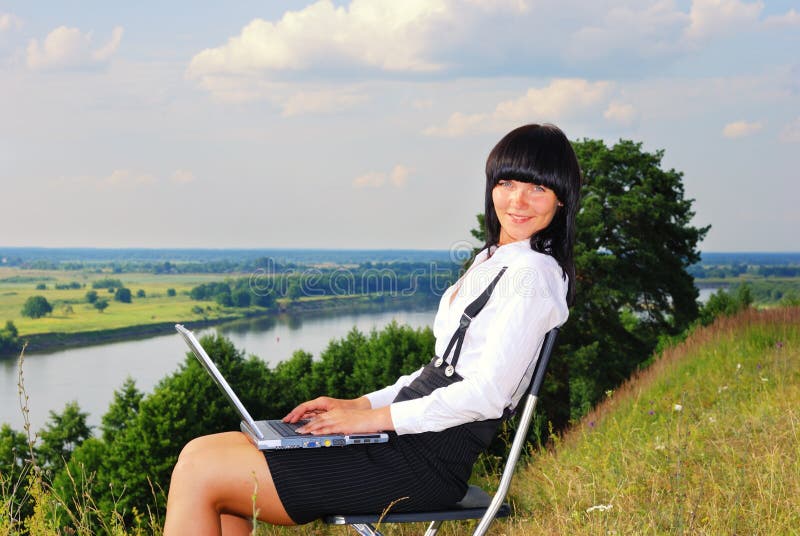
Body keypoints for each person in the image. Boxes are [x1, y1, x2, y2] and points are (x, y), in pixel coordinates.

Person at [163, 123, 581, 535]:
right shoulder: (494, 259)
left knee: (203, 471)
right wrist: (359, 405)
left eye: (537, 188)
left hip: (423, 462)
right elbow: (438, 373)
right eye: (507, 183)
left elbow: (486, 395)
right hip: (405, 440)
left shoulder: (533, 275)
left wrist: (373, 420)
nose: (518, 200)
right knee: (200, 452)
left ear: (561, 200)